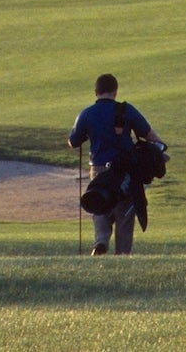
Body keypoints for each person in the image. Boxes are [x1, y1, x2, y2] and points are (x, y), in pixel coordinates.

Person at [67, 72, 165, 255]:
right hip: (125, 170)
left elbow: (73, 142)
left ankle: (101, 241)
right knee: (125, 213)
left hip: (98, 169)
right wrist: (161, 146)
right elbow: (149, 135)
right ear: (115, 91)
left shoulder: (86, 114)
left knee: (99, 205)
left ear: (96, 92)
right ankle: (122, 254)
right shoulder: (126, 110)